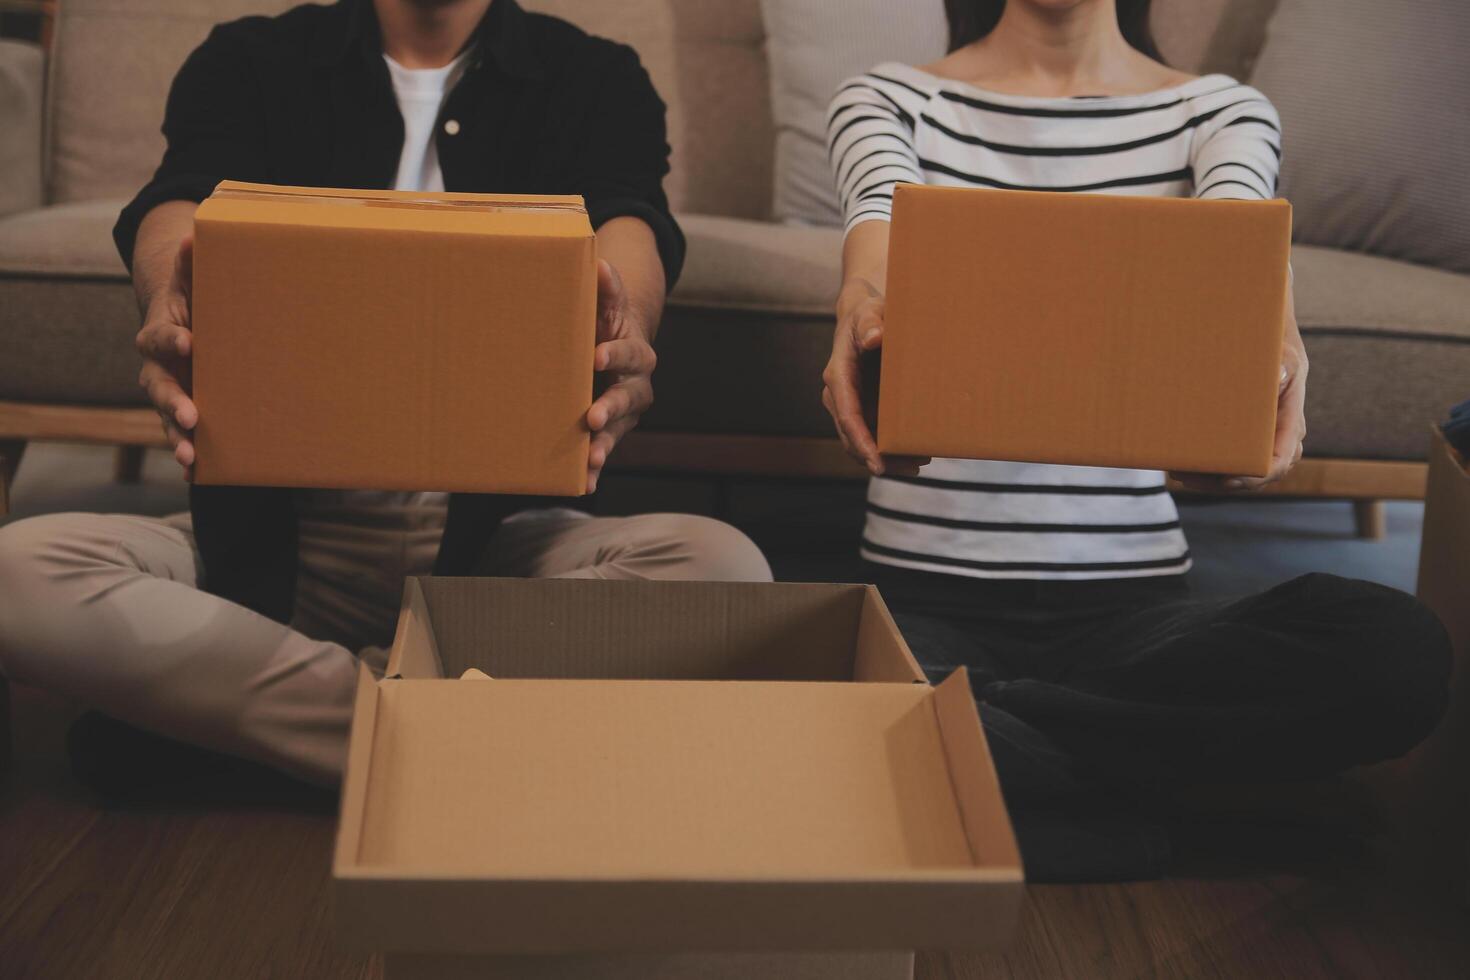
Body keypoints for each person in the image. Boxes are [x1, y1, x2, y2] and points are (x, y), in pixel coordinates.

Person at [0, 0, 771, 794]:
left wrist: (628, 326)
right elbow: (180, 200)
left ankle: (269, 738)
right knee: (16, 574)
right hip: (271, 548)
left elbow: (628, 216)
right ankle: (439, 735)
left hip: (490, 558)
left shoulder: (594, 74)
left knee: (725, 571)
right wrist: (168, 297)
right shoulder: (251, 57)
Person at [821, 0, 1451, 879]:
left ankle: (980, 743)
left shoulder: (1219, 111)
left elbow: (1245, 263)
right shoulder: (889, 99)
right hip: (924, 606)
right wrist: (862, 306)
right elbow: (876, 251)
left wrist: (1275, 342)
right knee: (830, 721)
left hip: (1133, 626)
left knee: (1396, 653)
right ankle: (1178, 821)